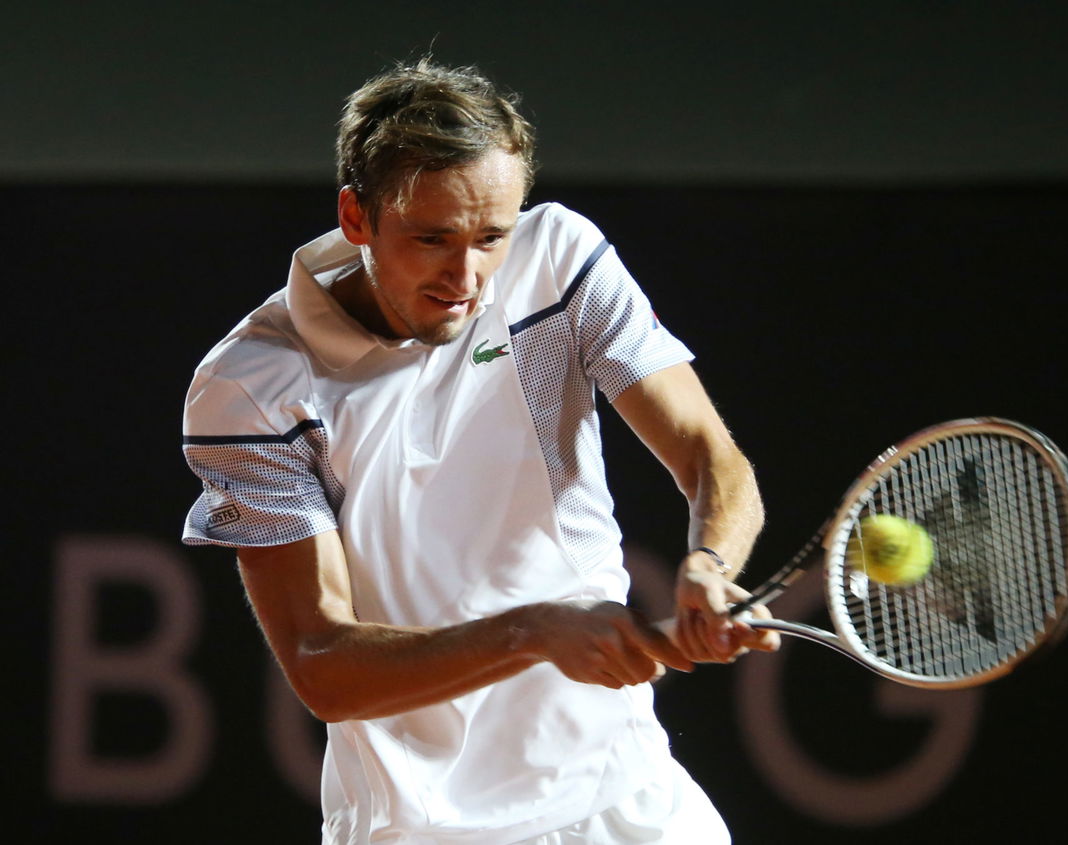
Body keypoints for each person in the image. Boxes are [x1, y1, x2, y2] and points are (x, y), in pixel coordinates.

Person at [181, 58, 778, 845]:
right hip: (423, 823)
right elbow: (322, 662)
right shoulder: (252, 385)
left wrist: (709, 562)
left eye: (492, 237)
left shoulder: (560, 261)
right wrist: (532, 631)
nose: (466, 277)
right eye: (432, 238)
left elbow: (709, 453)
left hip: (625, 793)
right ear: (356, 217)